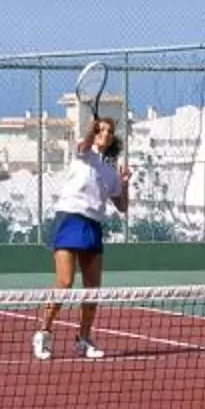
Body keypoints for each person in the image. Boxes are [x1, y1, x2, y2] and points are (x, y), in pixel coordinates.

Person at [32, 113, 129, 361]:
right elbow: (85, 142)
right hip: (69, 219)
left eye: (109, 131)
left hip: (93, 226)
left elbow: (122, 205)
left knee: (92, 289)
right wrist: (90, 128)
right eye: (101, 130)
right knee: (64, 282)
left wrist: (125, 182)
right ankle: (44, 333)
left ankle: (84, 339)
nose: (105, 134)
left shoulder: (110, 173)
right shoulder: (83, 154)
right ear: (95, 133)